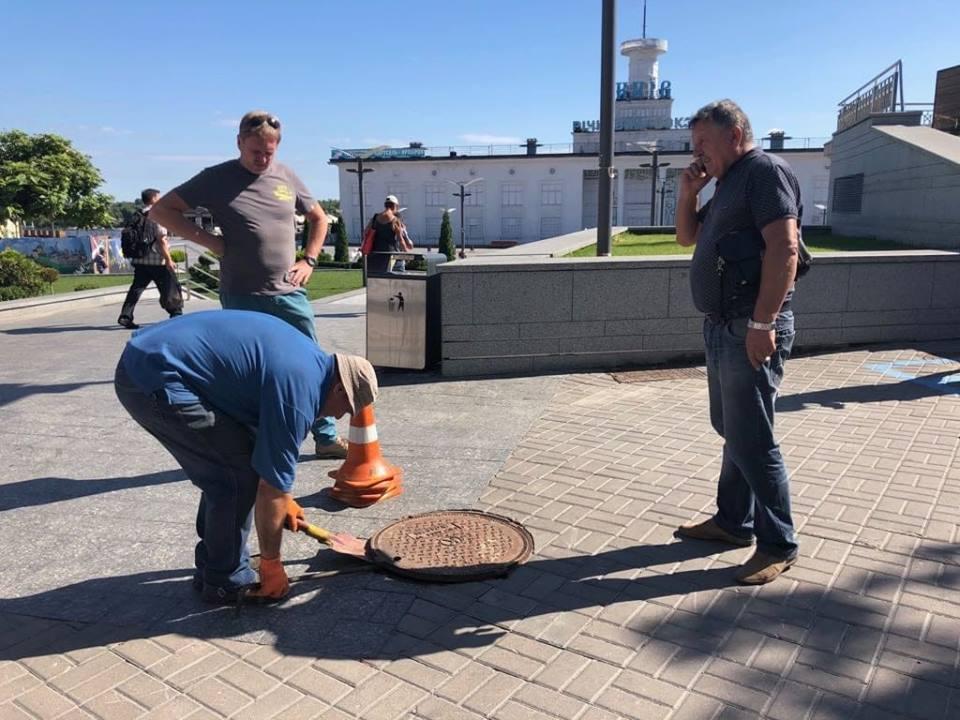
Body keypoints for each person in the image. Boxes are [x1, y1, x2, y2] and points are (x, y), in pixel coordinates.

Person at [113, 310, 378, 605]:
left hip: (152, 356)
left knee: (234, 466)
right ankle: (224, 580)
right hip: (152, 376)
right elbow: (270, 488)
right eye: (346, 407)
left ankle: (215, 562)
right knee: (234, 477)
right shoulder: (298, 395)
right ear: (339, 387)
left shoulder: (309, 362)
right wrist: (272, 563)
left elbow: (258, 441)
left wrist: (281, 497)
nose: (340, 415)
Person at [148, 111, 347, 459]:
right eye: (256, 151)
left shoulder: (286, 176)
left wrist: (310, 259)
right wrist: (209, 242)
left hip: (287, 293)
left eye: (270, 152)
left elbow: (318, 218)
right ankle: (254, 440)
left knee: (312, 363)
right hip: (242, 295)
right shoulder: (216, 178)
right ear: (239, 142)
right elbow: (161, 211)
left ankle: (326, 436)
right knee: (249, 371)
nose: (263, 159)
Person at [674, 99, 801, 585]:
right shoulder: (728, 182)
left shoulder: (763, 171)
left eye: (703, 143)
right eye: (694, 146)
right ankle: (733, 522)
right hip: (723, 324)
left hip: (750, 326)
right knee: (733, 428)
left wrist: (763, 323)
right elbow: (687, 237)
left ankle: (778, 543)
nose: (698, 153)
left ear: (735, 133)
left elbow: (785, 248)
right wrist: (689, 192)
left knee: (752, 437)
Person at [117, 189, 183, 329]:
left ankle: (125, 316)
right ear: (153, 198)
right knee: (169, 286)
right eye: (158, 196)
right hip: (157, 260)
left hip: (140, 259)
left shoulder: (138, 214)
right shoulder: (158, 214)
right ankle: (176, 314)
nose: (160, 198)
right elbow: (162, 239)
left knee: (136, 288)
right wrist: (169, 259)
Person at [366, 195, 412, 274]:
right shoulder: (395, 220)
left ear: (385, 205)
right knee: (398, 278)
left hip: (375, 256)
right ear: (395, 206)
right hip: (391, 258)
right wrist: (407, 255)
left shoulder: (375, 218)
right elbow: (401, 241)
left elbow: (365, 232)